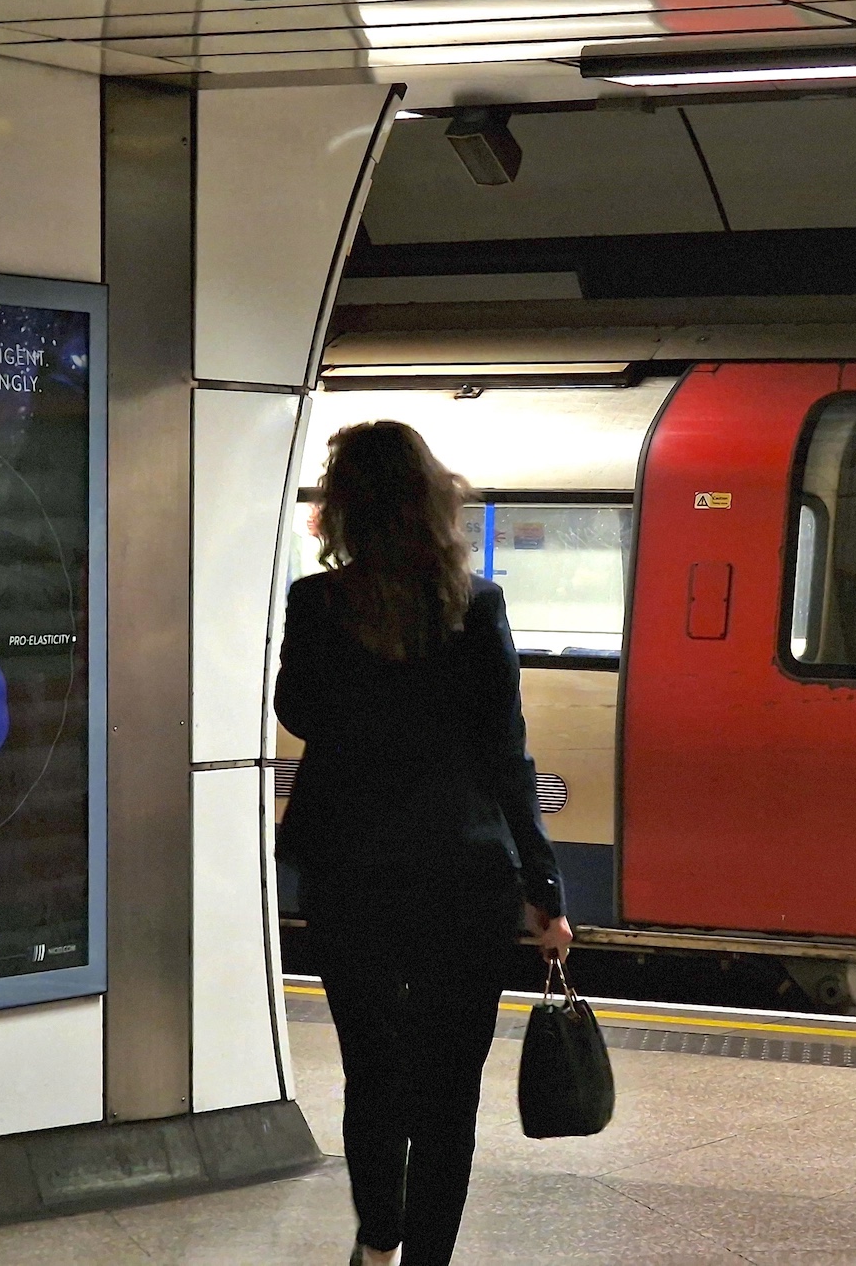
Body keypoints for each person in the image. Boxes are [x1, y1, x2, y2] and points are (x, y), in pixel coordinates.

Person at [274, 420, 572, 1266]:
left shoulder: (316, 604)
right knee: (449, 1087)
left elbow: (298, 713)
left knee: (372, 1070)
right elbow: (505, 751)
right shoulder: (477, 606)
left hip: (350, 871)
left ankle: (378, 1239)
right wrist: (544, 887)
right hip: (464, 874)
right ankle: (428, 1258)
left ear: (343, 510)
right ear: (433, 501)